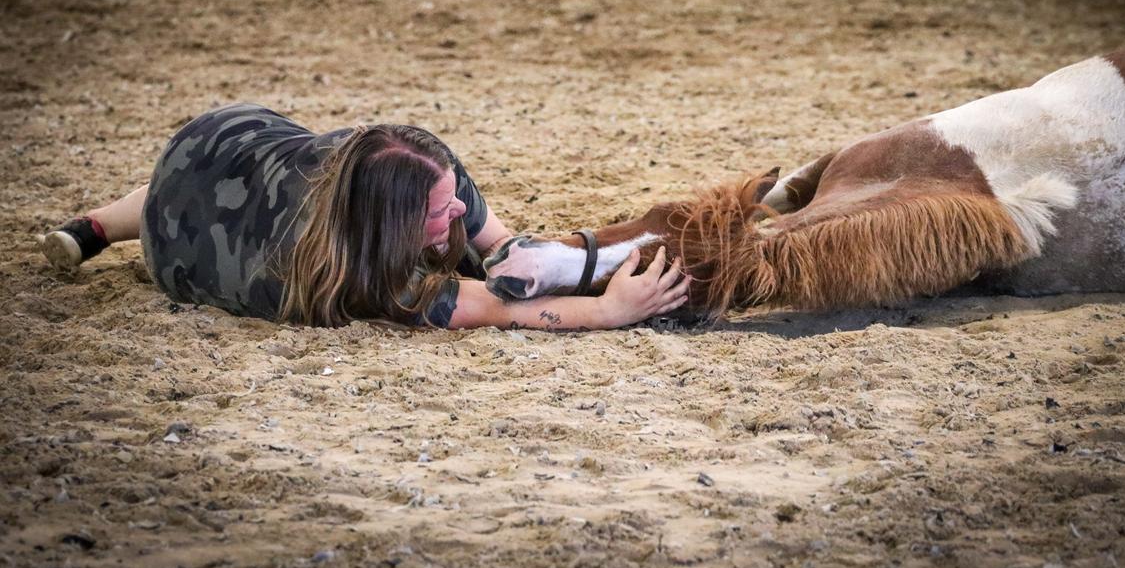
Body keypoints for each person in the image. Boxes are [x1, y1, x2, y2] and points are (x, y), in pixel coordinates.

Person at [39, 103, 689, 331]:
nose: (459, 205)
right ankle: (99, 226)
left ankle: (95, 226)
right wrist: (610, 310)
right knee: (172, 207)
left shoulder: (375, 164)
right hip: (181, 235)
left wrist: (514, 248)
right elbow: (497, 307)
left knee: (182, 192)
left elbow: (489, 242)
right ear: (389, 227)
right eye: (439, 210)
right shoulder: (363, 281)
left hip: (209, 145)